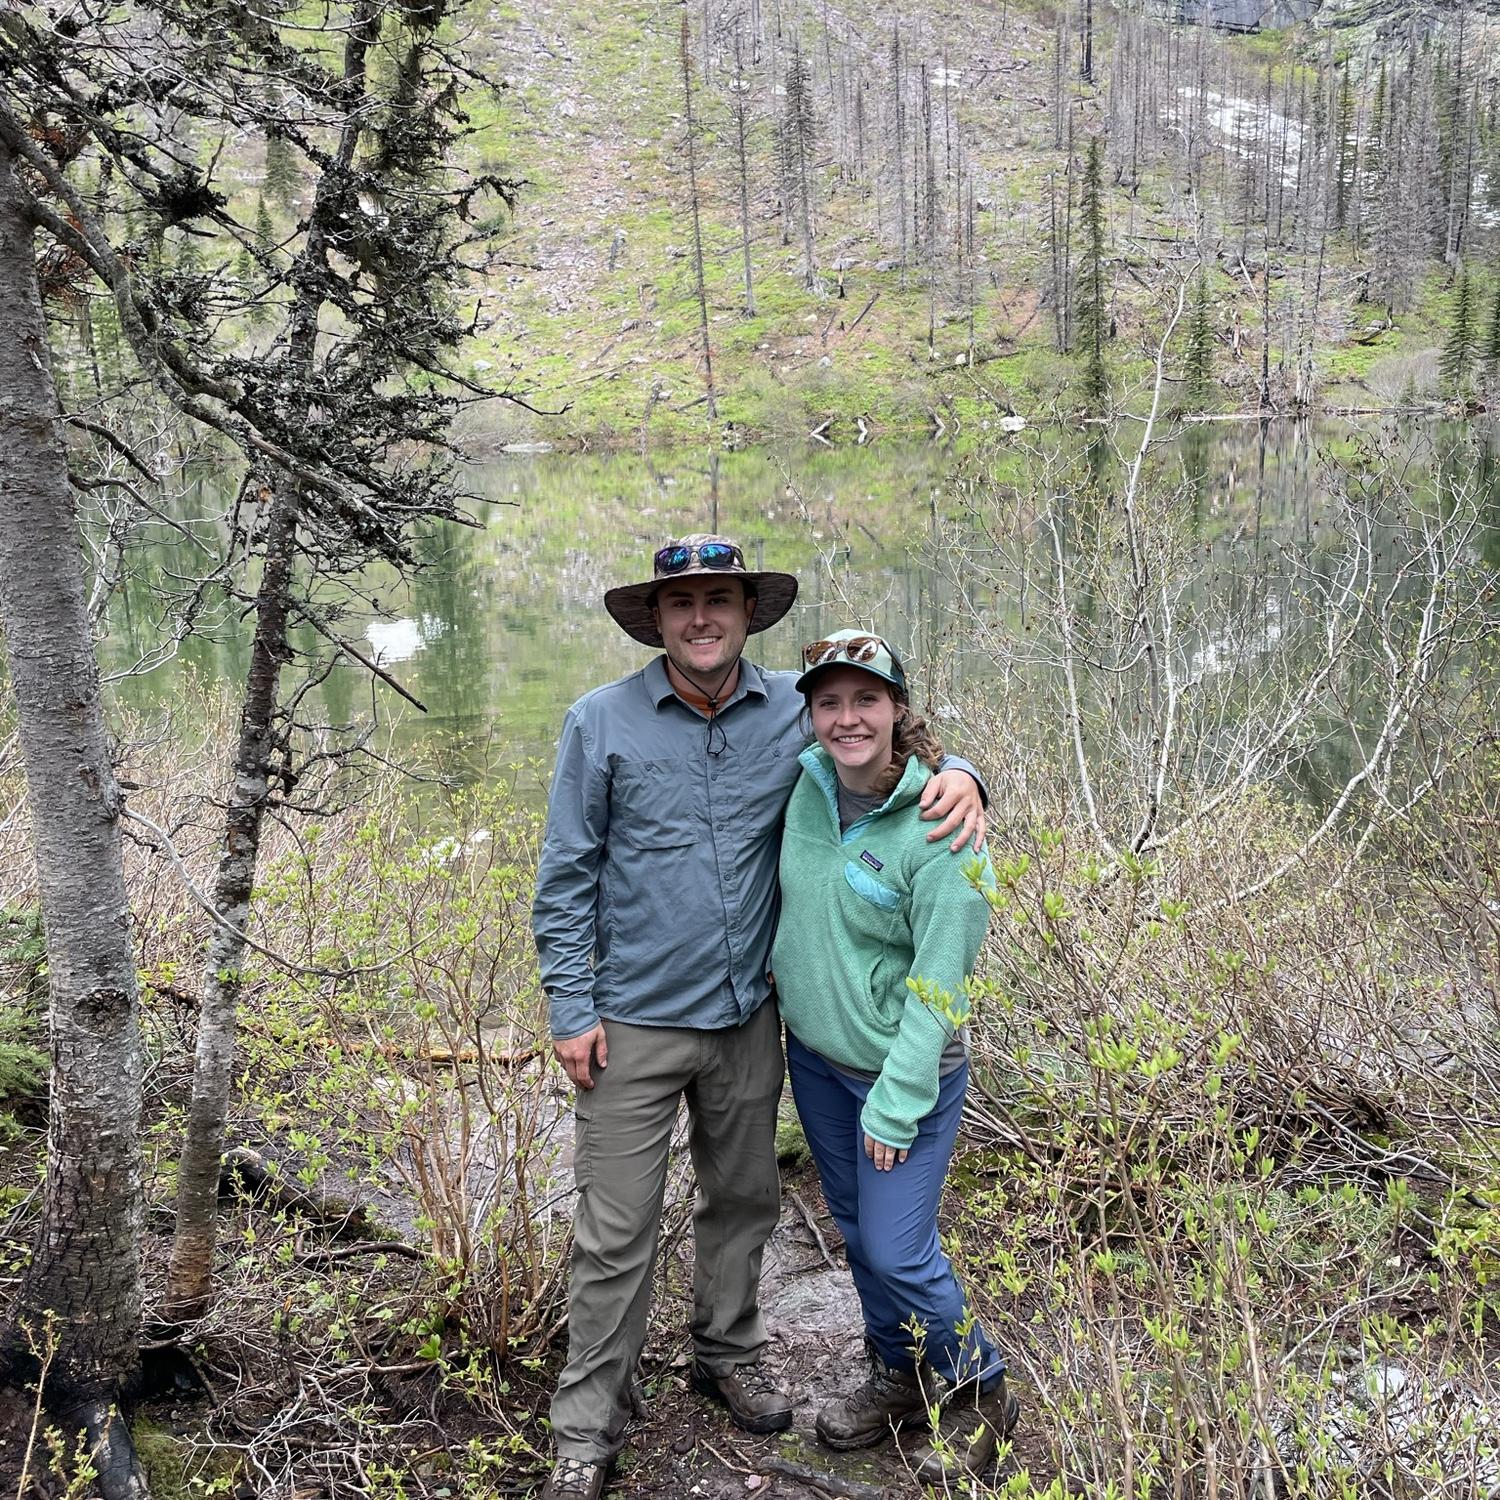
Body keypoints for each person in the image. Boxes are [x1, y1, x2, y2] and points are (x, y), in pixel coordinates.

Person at [531, 538, 988, 1500]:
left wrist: (970, 776)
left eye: (721, 600)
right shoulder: (598, 723)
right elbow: (566, 875)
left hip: (749, 1020)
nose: (702, 618)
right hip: (634, 1023)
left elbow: (886, 748)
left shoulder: (798, 709)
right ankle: (586, 1427)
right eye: (683, 602)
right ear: (656, 619)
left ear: (749, 613)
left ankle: (725, 1352)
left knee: (743, 1204)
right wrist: (571, 1007)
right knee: (615, 1233)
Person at [771, 628, 1018, 1484]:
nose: (846, 719)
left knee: (899, 1247)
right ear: (808, 714)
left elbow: (940, 986)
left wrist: (899, 1097)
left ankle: (982, 1384)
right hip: (815, 1063)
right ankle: (903, 1373)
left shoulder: (945, 830)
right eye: (829, 702)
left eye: (865, 700)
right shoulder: (803, 785)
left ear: (898, 710)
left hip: (902, 1074)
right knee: (858, 1233)